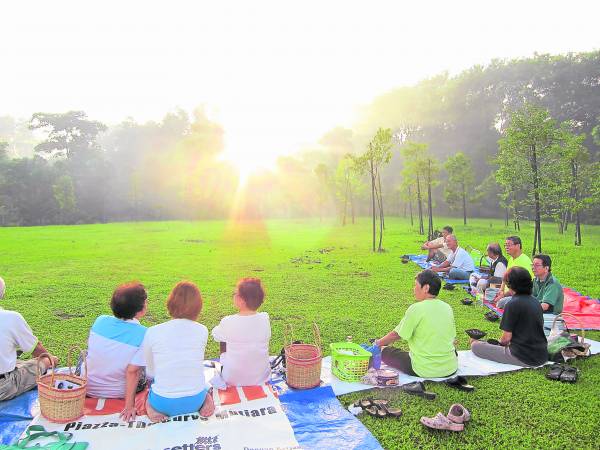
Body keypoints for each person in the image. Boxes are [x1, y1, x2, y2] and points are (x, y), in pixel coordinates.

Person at [126, 281, 213, 423]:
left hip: (162, 403)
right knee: (203, 382)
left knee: (151, 389)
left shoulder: (153, 332)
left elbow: (150, 372)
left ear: (171, 303)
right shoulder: (202, 330)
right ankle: (207, 398)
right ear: (198, 307)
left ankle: (150, 407)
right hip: (195, 401)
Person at [370, 269, 458, 378]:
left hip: (424, 370)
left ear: (426, 288)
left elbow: (397, 334)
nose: (413, 289)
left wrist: (378, 343)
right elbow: (453, 339)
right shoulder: (447, 307)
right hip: (450, 367)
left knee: (385, 351)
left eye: (415, 285)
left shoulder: (416, 309)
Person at [471, 267, 548, 367]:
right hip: (542, 354)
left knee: (475, 346)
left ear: (510, 285)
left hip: (522, 356)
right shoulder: (535, 301)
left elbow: (505, 339)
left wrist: (497, 344)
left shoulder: (512, 304)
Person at [86, 282, 148, 407]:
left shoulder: (100, 321)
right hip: (121, 392)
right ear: (140, 310)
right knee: (145, 367)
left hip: (87, 387)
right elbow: (135, 372)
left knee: (84, 355)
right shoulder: (145, 334)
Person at [0, 278, 59, 401]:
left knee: (20, 363)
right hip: (3, 386)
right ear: (2, 294)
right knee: (46, 360)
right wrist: (49, 359)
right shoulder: (11, 318)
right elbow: (37, 349)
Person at [211, 278, 271, 386]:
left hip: (232, 378)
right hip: (262, 377)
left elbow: (215, 335)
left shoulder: (228, 321)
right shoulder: (264, 318)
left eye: (235, 293)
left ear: (241, 300)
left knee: (223, 340)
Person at [495, 236, 533, 308]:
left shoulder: (524, 261)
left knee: (502, 303)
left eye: (509, 245)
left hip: (518, 295)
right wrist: (501, 290)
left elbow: (519, 286)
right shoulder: (511, 259)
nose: (506, 247)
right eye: (505, 245)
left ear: (518, 246)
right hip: (507, 292)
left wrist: (503, 295)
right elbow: (505, 278)